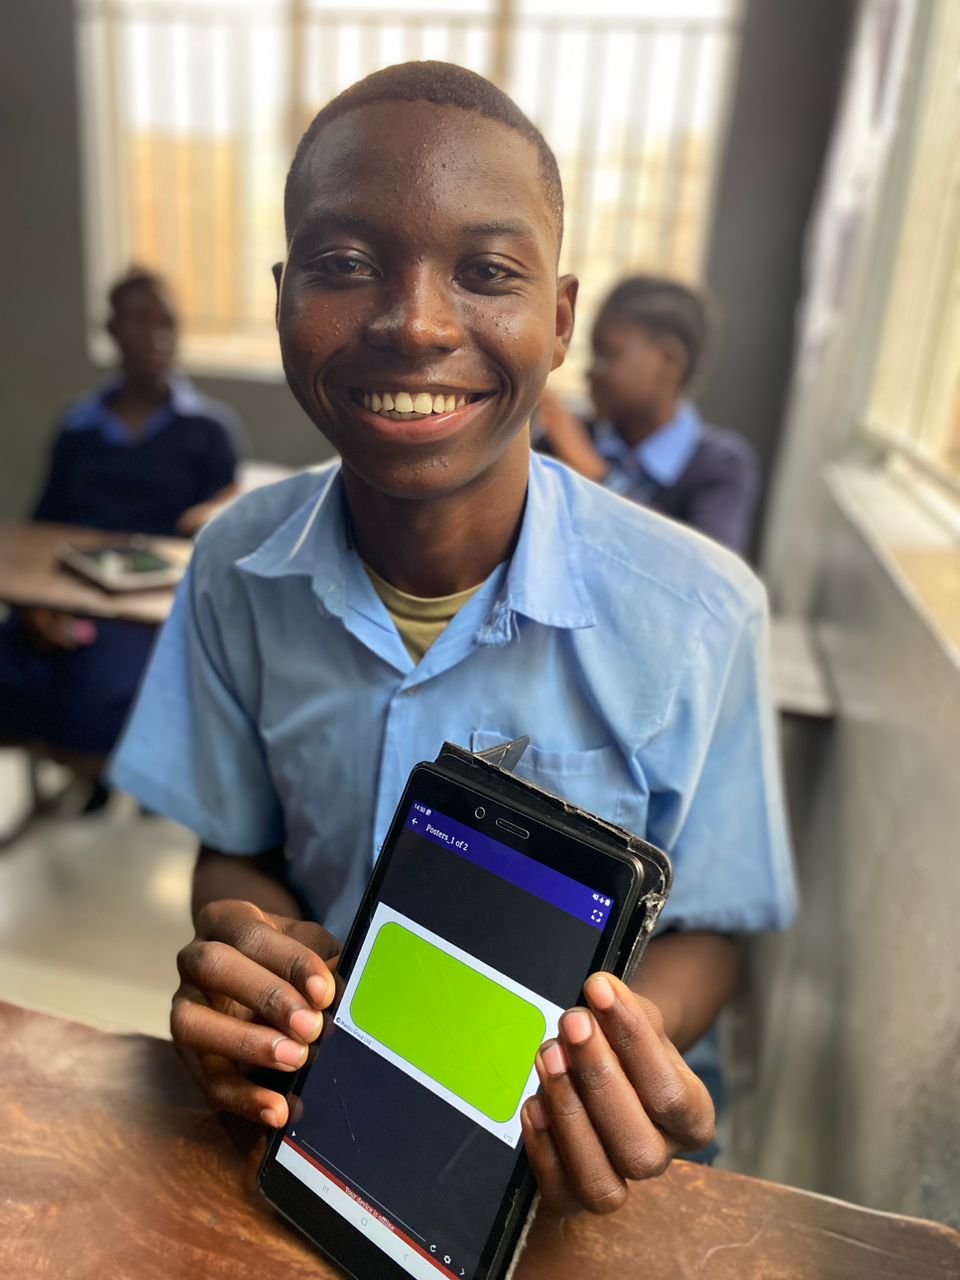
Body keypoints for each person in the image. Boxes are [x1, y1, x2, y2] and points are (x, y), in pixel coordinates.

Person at [109, 63, 795, 1216]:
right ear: (283, 298)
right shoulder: (238, 564)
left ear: (561, 317)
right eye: (343, 265)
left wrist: (618, 1050)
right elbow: (234, 842)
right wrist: (252, 947)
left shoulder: (700, 613)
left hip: (570, 1170)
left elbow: (714, 926)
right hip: (318, 1120)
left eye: (486, 272)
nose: (416, 322)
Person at [0, 268, 245, 797]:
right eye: (139, 321)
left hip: (149, 614)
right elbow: (41, 528)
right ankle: (72, 779)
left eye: (168, 324)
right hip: (65, 596)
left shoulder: (208, 430)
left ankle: (106, 777)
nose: (157, 337)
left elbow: (223, 535)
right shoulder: (80, 427)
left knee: (99, 696)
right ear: (111, 330)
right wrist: (36, 606)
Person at [537, 275, 760, 555]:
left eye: (607, 356)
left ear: (667, 361)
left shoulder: (719, 465)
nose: (591, 372)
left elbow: (709, 573)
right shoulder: (562, 441)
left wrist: (594, 472)